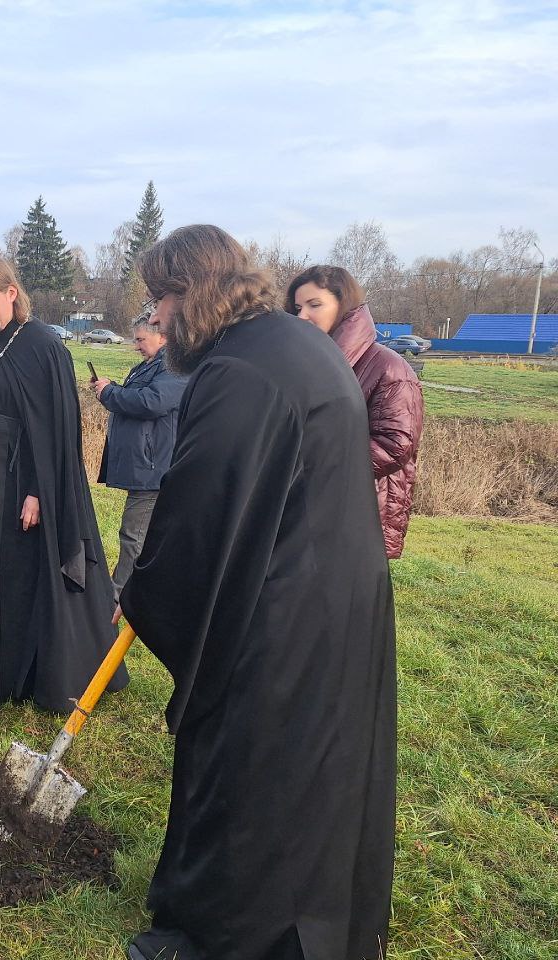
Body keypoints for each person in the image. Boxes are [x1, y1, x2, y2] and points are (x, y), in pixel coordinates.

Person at [115, 225, 395, 960]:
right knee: (313, 766)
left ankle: (234, 936)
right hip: (332, 589)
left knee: (254, 762)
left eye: (160, 301)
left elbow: (201, 510)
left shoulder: (240, 370)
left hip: (284, 604)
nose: (158, 321)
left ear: (192, 293)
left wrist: (143, 593)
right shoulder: (285, 343)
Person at [0, 257, 127, 717]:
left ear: (12, 293)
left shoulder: (44, 347)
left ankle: (14, 670)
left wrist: (37, 490)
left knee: (11, 576)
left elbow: (54, 430)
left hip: (16, 487)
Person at [288, 266, 425, 559]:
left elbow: (395, 445)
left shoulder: (388, 367)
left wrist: (316, 465)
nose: (302, 317)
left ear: (343, 306)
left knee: (344, 599)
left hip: (361, 506)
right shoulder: (308, 361)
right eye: (298, 308)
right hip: (310, 501)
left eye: (315, 305)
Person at [90, 316, 187, 593]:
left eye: (141, 339)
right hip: (146, 466)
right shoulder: (150, 366)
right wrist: (110, 388)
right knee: (141, 535)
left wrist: (110, 393)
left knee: (134, 535)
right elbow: (138, 395)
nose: (136, 346)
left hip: (154, 469)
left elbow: (151, 402)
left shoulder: (174, 367)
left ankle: (119, 597)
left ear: (163, 337)